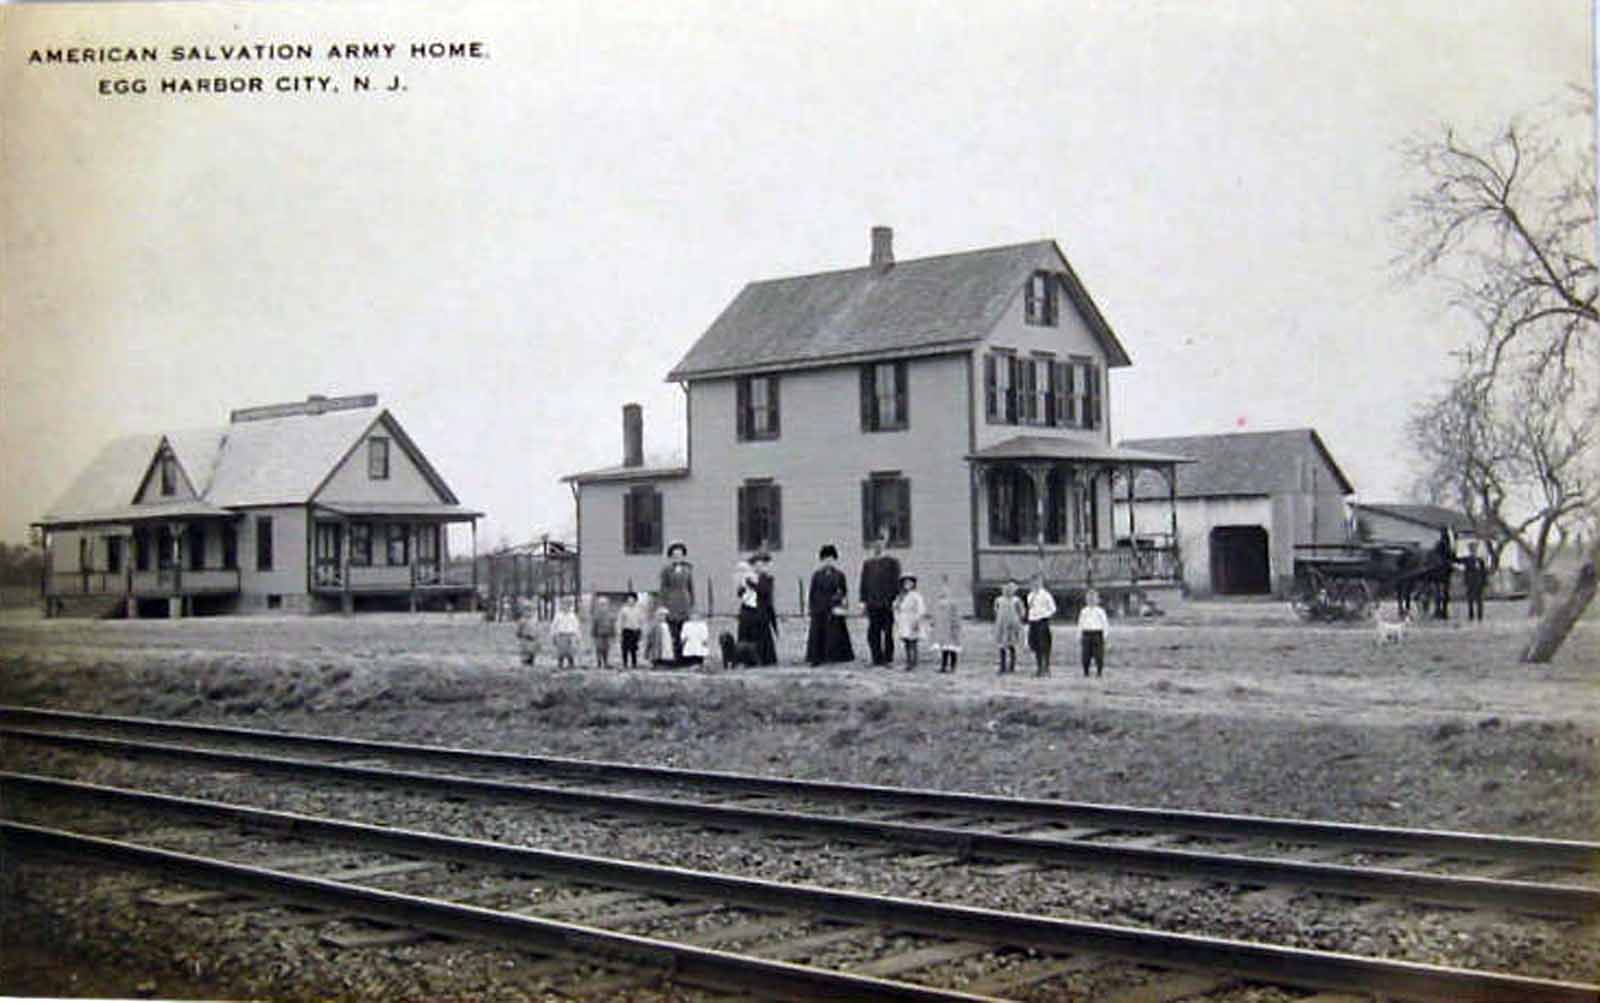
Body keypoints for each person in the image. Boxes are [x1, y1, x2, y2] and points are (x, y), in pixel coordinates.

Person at [805, 544, 855, 665]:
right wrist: (811, 608)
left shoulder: (839, 575)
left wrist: (841, 603)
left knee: (835, 633)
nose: (828, 561)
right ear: (822, 560)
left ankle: (836, 656)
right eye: (826, 559)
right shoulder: (817, 575)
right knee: (818, 633)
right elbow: (812, 592)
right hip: (819, 607)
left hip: (834, 607)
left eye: (831, 559)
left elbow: (844, 592)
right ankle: (817, 657)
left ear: (834, 560)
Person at [858, 532, 901, 667]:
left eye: (881, 542)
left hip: (887, 603)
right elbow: (864, 583)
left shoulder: (892, 562)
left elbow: (896, 582)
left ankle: (888, 658)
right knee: (873, 633)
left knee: (888, 632)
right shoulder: (868, 564)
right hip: (872, 603)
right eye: (875, 543)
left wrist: (896, 599)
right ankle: (876, 658)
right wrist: (863, 601)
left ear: (885, 545)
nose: (878, 546)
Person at [659, 541, 695, 658]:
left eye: (680, 555)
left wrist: (692, 603)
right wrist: (663, 605)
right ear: (671, 557)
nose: (677, 558)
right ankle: (675, 655)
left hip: (684, 601)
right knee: (673, 630)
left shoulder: (688, 570)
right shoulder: (666, 570)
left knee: (684, 630)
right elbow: (663, 588)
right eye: (675, 556)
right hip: (671, 601)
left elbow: (691, 587)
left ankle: (684, 655)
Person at [1025, 572, 1057, 677]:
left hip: (1042, 621)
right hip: (1032, 621)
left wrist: (1044, 615)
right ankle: (1039, 667)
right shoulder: (1030, 596)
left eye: (1038, 582)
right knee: (1034, 645)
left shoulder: (1046, 595)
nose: (1035, 584)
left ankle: (1046, 667)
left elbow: (1053, 609)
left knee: (1044, 645)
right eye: (1033, 582)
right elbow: (1030, 609)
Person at [751, 552, 780, 665]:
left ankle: (766, 659)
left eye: (761, 565)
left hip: (763, 612)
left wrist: (753, 585)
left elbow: (764, 591)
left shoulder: (768, 579)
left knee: (764, 637)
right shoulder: (752, 578)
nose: (758, 567)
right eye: (756, 565)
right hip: (752, 613)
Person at [893, 573, 926, 671]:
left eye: (909, 583)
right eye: (905, 583)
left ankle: (913, 661)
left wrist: (917, 621)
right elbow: (896, 607)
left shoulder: (916, 596)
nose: (907, 585)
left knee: (913, 642)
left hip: (913, 620)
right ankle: (908, 660)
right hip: (904, 621)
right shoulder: (901, 596)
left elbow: (921, 609)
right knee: (906, 642)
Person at [929, 575, 962, 673]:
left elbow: (956, 617)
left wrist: (956, 627)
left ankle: (953, 666)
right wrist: (934, 623)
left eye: (944, 594)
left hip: (951, 630)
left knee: (952, 649)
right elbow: (936, 616)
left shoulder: (952, 605)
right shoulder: (938, 605)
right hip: (942, 631)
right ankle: (943, 665)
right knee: (944, 649)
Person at [734, 559, 765, 655]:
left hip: (754, 608)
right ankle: (742, 654)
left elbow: (759, 591)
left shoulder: (753, 578)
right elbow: (740, 594)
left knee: (753, 633)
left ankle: (754, 654)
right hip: (745, 607)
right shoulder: (742, 581)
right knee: (744, 632)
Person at [993, 580, 1024, 675]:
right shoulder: (999, 600)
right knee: (1002, 646)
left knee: (1011, 646)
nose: (1007, 591)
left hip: (1012, 625)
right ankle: (1002, 666)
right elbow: (996, 610)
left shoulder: (1016, 600)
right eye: (1005, 589)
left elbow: (1022, 612)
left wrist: (1017, 622)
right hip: (1002, 625)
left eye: (1010, 589)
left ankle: (1012, 666)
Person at [1077, 588, 1109, 677]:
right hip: (1086, 634)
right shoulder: (1084, 611)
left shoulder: (1100, 611)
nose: (1091, 600)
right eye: (1089, 599)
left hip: (1097, 634)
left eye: (1093, 598)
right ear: (1086, 600)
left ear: (1097, 600)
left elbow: (1105, 624)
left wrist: (1104, 636)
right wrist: (1079, 635)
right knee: (1085, 655)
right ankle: (1086, 672)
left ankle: (1099, 672)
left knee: (1098, 654)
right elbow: (1080, 623)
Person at [1431, 528, 1457, 620]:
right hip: (1437, 572)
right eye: (1444, 534)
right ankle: (1439, 610)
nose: (1445, 536)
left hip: (1444, 571)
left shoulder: (1449, 545)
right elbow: (1434, 555)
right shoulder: (1439, 545)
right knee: (1439, 592)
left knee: (1444, 592)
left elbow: (1453, 556)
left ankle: (1443, 610)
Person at [617, 592, 646, 668]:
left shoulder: (638, 610)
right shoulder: (624, 609)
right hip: (626, 630)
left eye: (632, 599)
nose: (630, 601)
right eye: (629, 599)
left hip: (635, 631)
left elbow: (641, 621)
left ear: (635, 600)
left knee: (633, 648)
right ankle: (625, 663)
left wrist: (641, 631)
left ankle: (634, 663)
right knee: (625, 648)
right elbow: (620, 621)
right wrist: (619, 631)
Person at [551, 598, 581, 669]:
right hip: (561, 635)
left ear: (570, 606)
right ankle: (560, 664)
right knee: (561, 651)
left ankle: (571, 664)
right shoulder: (558, 615)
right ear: (561, 606)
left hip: (570, 635)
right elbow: (554, 626)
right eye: (564, 605)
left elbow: (576, 626)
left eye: (567, 605)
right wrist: (553, 635)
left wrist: (578, 636)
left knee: (570, 651)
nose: (566, 607)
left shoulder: (572, 615)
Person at [1462, 542, 1488, 622]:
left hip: (1479, 583)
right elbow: (1466, 572)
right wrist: (1465, 581)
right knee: (1470, 600)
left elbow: (1484, 572)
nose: (1473, 551)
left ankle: (1480, 616)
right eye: (1472, 549)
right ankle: (1471, 615)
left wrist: (1484, 582)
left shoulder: (1480, 560)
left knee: (1479, 601)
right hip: (1471, 582)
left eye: (1474, 549)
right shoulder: (1467, 560)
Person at [590, 595, 617, 669]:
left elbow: (612, 625)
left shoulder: (610, 614)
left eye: (604, 604)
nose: (603, 605)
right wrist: (593, 634)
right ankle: (599, 662)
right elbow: (594, 625)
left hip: (607, 634)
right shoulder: (596, 614)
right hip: (599, 634)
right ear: (599, 605)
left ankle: (606, 662)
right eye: (601, 604)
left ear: (607, 604)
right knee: (599, 648)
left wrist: (614, 634)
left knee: (606, 648)